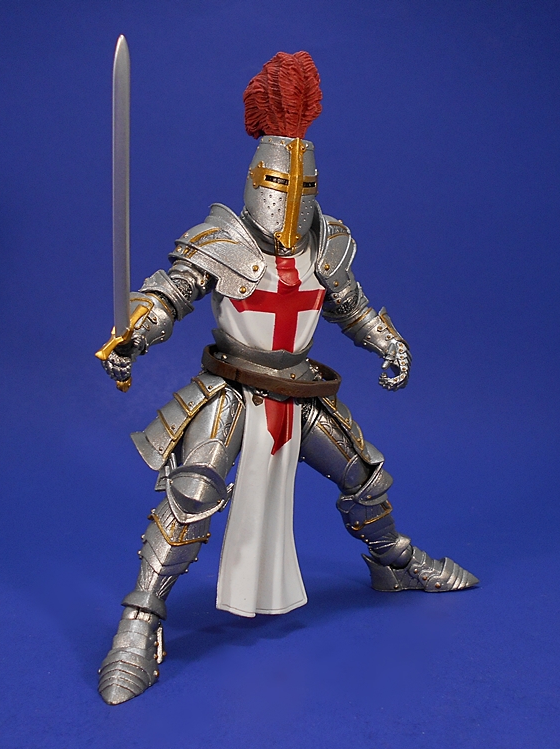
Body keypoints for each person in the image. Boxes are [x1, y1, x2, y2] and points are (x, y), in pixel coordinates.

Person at [98, 51, 478, 706]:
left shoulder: (326, 243)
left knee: (364, 477)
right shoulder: (220, 239)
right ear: (256, 177)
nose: (290, 195)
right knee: (192, 492)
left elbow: (349, 306)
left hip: (301, 391)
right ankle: (140, 620)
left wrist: (386, 341)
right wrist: (135, 327)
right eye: (279, 179)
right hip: (231, 392)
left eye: (303, 183)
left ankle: (395, 562)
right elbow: (170, 294)